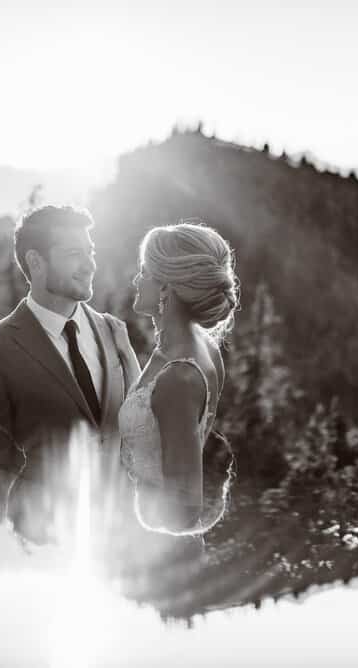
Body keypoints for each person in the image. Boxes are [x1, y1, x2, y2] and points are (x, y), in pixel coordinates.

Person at [0, 205, 141, 544]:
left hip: (122, 546)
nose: (89, 265)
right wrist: (45, 515)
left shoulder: (112, 331)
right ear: (36, 262)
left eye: (90, 252)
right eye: (74, 254)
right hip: (46, 550)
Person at [118, 220, 239, 556]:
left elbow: (183, 510)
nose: (136, 279)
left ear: (166, 289)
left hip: (153, 556)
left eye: (144, 271)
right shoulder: (199, 346)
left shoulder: (179, 378)